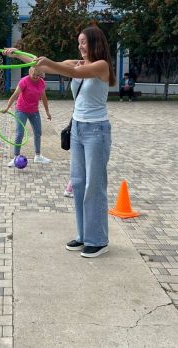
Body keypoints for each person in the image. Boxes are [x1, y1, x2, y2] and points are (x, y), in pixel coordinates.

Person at [36, 25, 116, 258]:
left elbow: (70, 72)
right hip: (78, 129)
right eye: (79, 42)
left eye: (84, 42)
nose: (80, 46)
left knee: (94, 185)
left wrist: (48, 62)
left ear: (95, 43)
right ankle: (83, 236)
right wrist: (16, 54)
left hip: (97, 131)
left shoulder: (101, 66)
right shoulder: (77, 63)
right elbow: (39, 62)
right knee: (78, 183)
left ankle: (98, 240)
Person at [0, 61, 52, 167]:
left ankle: (38, 156)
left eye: (38, 75)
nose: (36, 77)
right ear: (29, 72)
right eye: (34, 74)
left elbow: (44, 98)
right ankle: (15, 158)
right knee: (20, 134)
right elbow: (15, 95)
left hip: (34, 111)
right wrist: (7, 108)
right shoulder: (24, 81)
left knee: (38, 133)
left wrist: (47, 112)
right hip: (21, 110)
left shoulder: (41, 82)